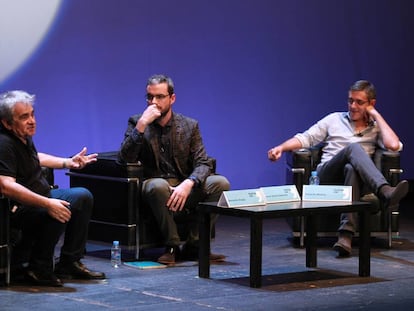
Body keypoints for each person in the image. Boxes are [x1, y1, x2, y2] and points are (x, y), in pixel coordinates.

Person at [267, 80, 408, 257]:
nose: (353, 106)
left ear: (371, 104)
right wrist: (281, 147)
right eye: (350, 100)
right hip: (328, 175)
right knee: (353, 148)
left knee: (351, 169)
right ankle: (385, 191)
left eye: (359, 102)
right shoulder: (334, 119)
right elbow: (306, 138)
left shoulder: (376, 129)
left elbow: (394, 145)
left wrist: (376, 116)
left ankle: (345, 237)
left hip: (359, 180)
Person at [118, 74, 230, 264]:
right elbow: (124, 158)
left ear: (172, 98)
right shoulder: (137, 122)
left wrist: (189, 183)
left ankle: (195, 245)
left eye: (160, 97)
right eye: (150, 97)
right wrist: (142, 126)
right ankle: (172, 246)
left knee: (220, 183)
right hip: (155, 186)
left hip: (183, 185)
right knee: (158, 186)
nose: (154, 102)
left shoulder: (189, 125)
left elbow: (203, 162)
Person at [0, 90, 105, 287]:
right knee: (59, 207)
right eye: (24, 117)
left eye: (32, 114)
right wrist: (48, 203)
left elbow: (36, 157)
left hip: (41, 195)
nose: (32, 120)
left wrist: (68, 162)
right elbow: (6, 186)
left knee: (82, 196)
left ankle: (69, 262)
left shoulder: (22, 136)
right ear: (7, 123)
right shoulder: (3, 143)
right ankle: (38, 269)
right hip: (18, 208)